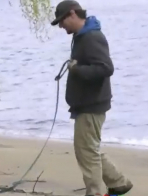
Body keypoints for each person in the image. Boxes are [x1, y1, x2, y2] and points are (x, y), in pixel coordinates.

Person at [50, 0, 133, 196]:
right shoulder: (82, 35)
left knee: (86, 151)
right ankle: (118, 183)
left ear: (72, 14)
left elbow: (106, 68)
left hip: (92, 105)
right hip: (87, 104)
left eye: (62, 21)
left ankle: (96, 193)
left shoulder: (92, 37)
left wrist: (76, 69)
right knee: (89, 148)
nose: (61, 26)